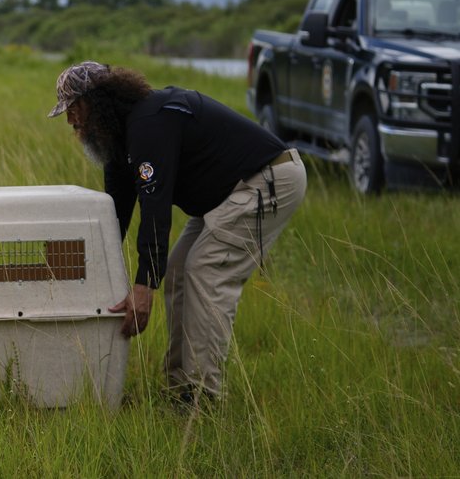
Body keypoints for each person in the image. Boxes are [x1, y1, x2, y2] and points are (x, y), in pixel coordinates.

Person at [48, 61, 306, 407]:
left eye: (75, 109)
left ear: (100, 101)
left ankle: (202, 396)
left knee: (204, 271)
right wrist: (95, 273)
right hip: (226, 196)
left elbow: (155, 211)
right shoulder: (119, 138)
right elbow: (116, 213)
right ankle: (178, 387)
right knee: (178, 274)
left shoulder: (148, 125)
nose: (71, 122)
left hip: (267, 179)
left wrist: (143, 287)